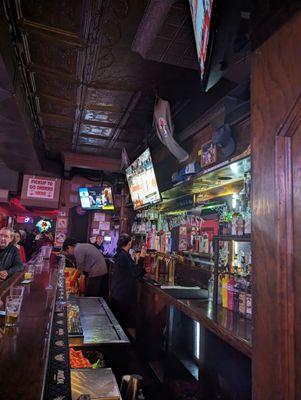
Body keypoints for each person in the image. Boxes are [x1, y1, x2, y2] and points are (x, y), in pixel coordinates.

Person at [111, 234, 148, 328]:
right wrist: (142, 257)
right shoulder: (124, 256)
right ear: (129, 243)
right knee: (121, 322)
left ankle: (119, 340)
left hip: (117, 291)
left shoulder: (121, 253)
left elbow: (131, 270)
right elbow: (134, 273)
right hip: (122, 293)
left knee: (118, 320)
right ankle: (122, 341)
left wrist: (143, 270)